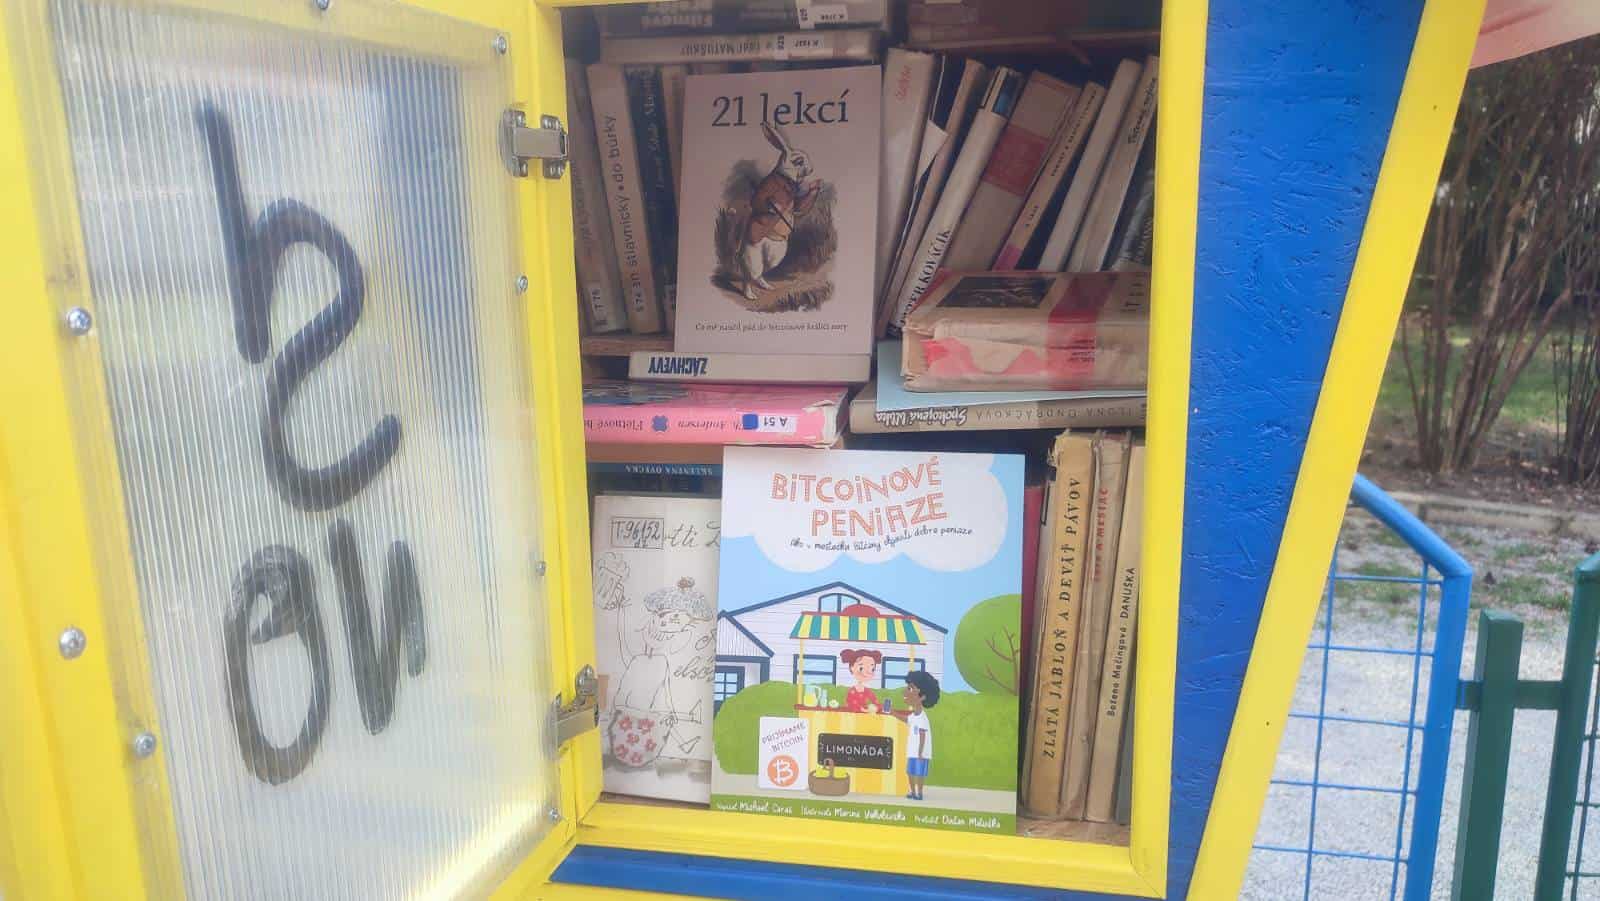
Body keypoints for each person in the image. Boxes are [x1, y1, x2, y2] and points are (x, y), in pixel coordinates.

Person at [899, 669, 940, 801]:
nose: (905, 692)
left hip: (920, 754)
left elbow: (922, 736)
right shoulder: (914, 715)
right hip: (912, 752)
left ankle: (919, 793)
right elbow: (906, 719)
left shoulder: (922, 718)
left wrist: (920, 752)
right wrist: (892, 713)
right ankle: (912, 792)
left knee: (919, 773)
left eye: (911, 688)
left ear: (922, 697)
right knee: (910, 772)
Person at [838, 649, 882, 713]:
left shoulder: (867, 691)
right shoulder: (852, 691)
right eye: (861, 668)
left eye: (872, 669)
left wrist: (876, 708)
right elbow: (850, 705)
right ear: (852, 668)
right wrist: (863, 710)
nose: (867, 673)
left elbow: (876, 702)